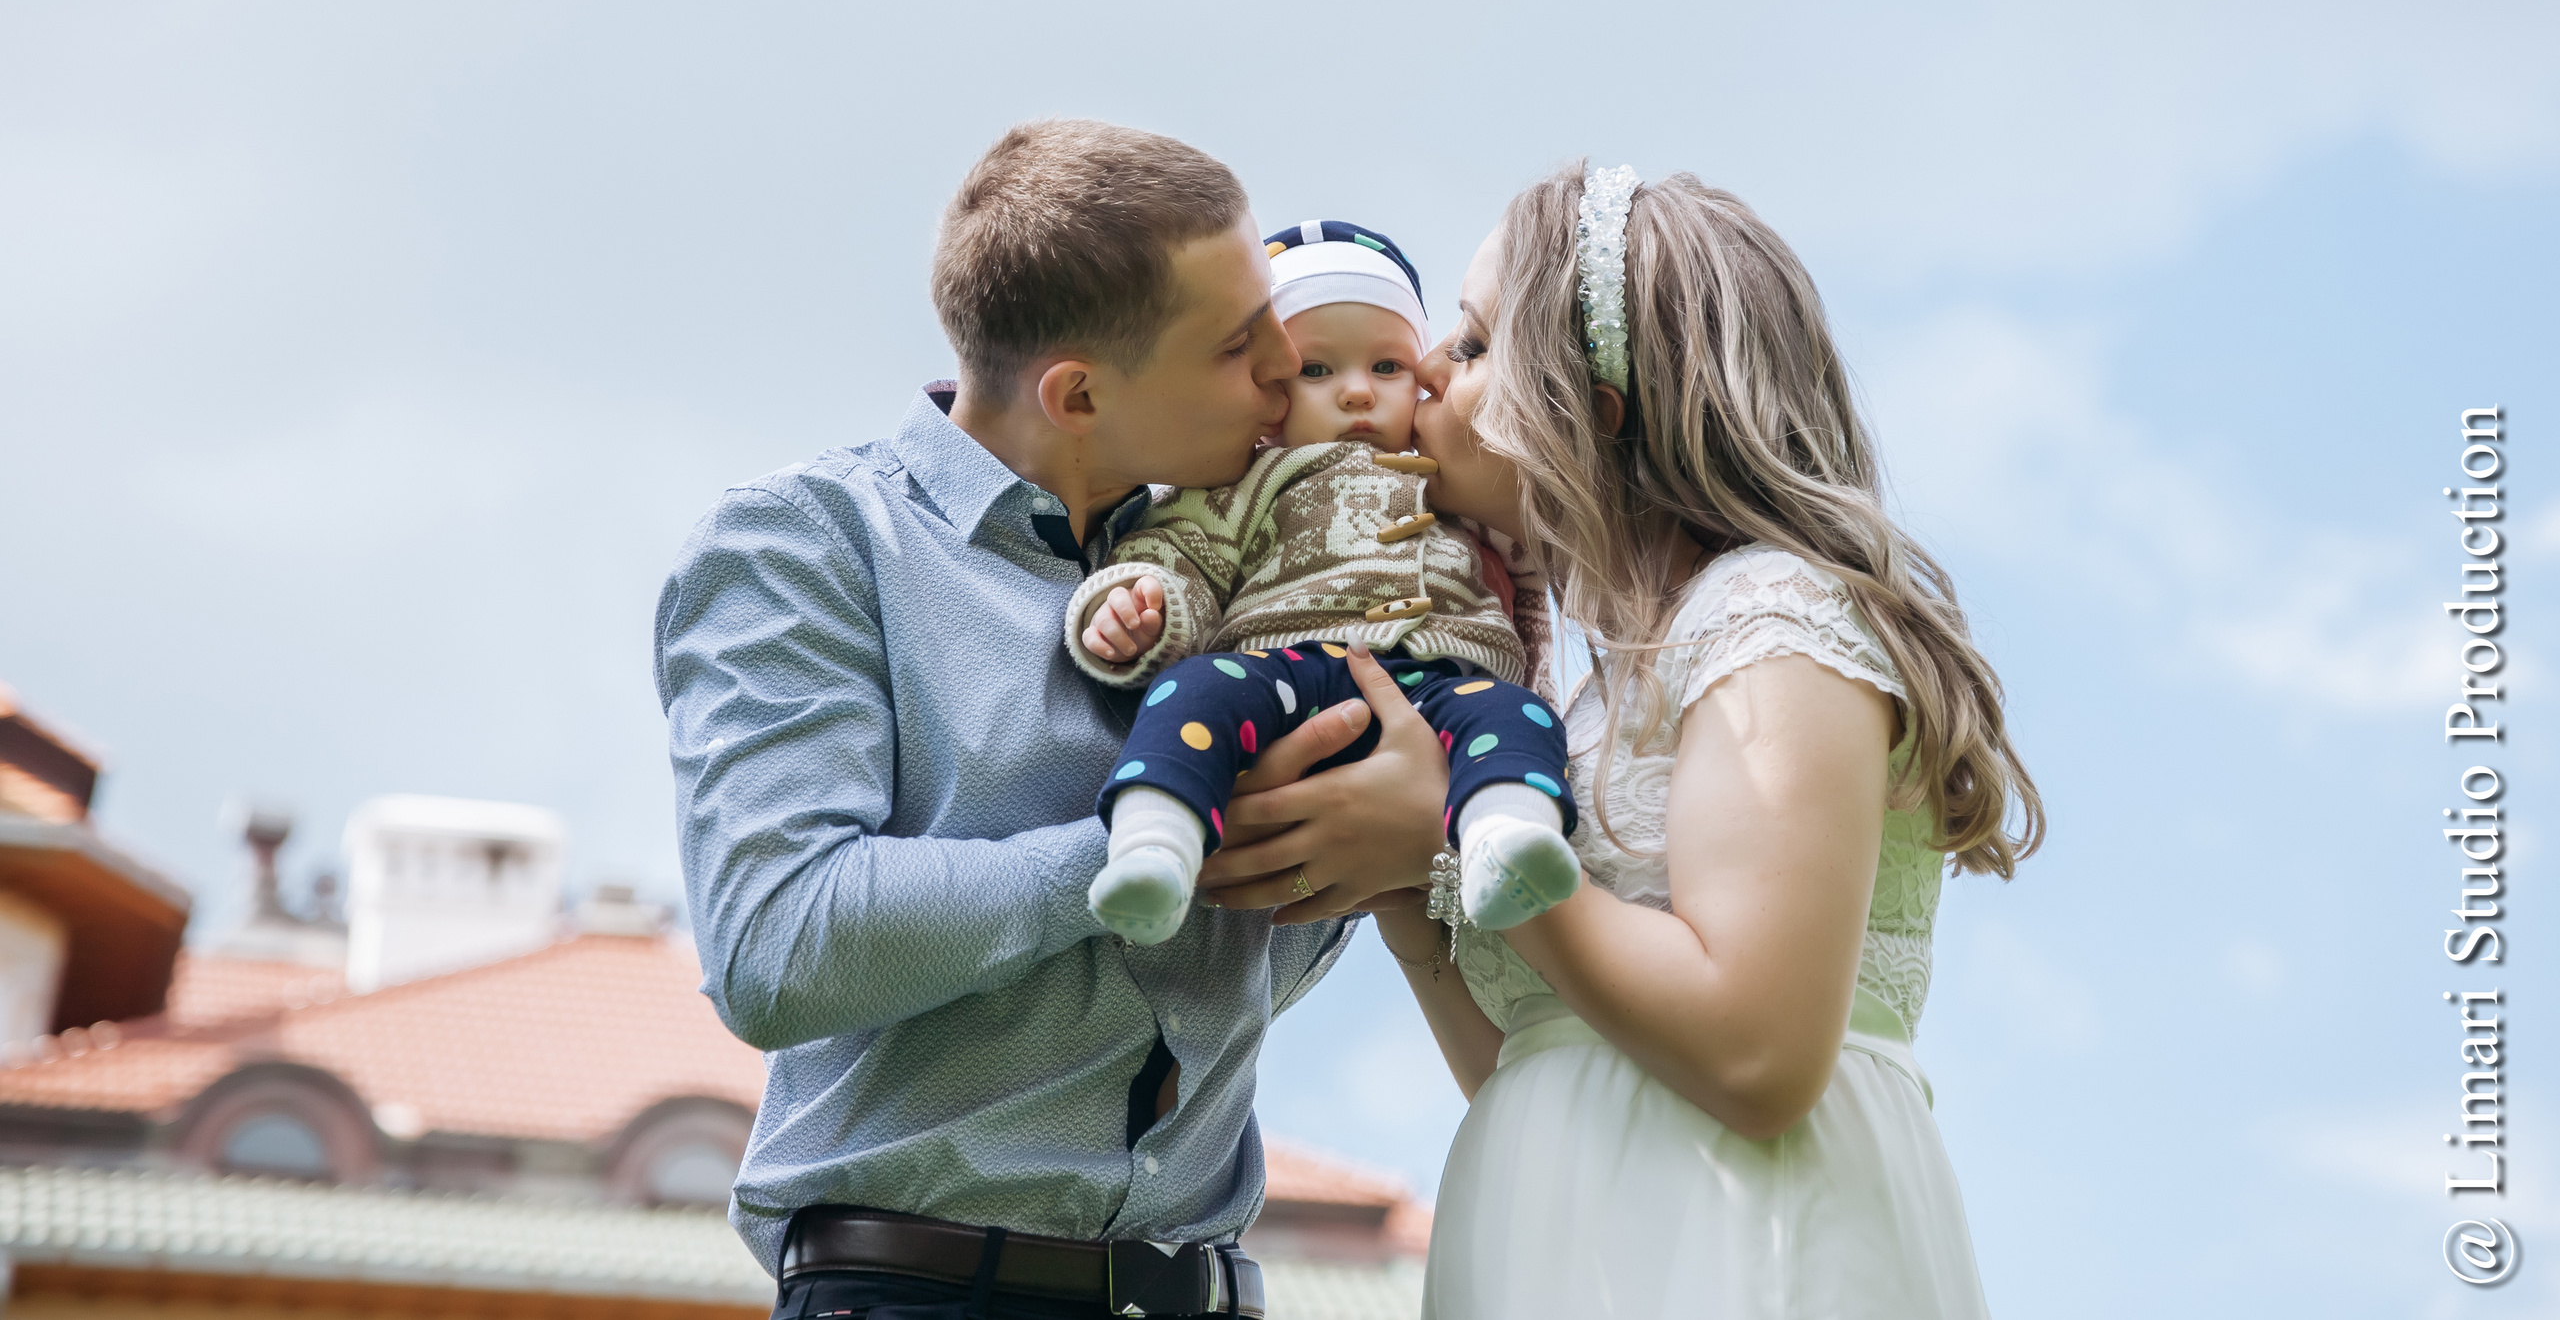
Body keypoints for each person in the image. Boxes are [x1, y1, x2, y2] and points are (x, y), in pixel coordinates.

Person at [1204, 163, 2042, 1317]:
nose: (1428, 370)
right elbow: (1532, 1058)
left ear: (1594, 411)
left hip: (1736, 1247)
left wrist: (1443, 847)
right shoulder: (1591, 697)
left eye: (1477, 340)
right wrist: (1409, 894)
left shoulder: (1770, 620)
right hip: (1556, 1241)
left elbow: (1757, 1056)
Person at [655, 121, 1438, 1320]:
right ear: (1077, 393)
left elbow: (1229, 972)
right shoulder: (809, 545)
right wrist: (1145, 842)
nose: (1291, 372)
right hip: (921, 1293)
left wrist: (1375, 838)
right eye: (1242, 347)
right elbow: (777, 946)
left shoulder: (1242, 561)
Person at [1068, 220, 1578, 948]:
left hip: (1442, 685)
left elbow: (1528, 602)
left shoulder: (1455, 482)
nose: (1356, 394)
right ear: (1270, 392)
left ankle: (1505, 842)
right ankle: (1154, 846)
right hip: (1288, 671)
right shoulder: (1252, 480)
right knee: (1195, 690)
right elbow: (1176, 553)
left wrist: (1534, 689)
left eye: (1387, 367)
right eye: (1317, 371)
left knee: (1519, 718)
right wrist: (1138, 611)